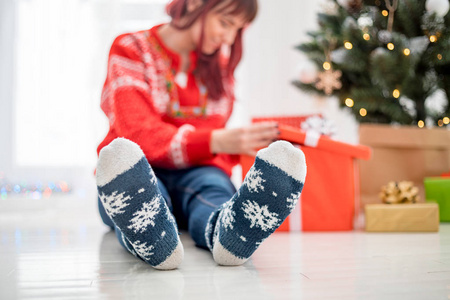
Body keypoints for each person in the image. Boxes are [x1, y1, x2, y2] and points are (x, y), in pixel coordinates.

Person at [96, 0, 307, 270]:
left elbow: (211, 140)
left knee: (212, 190)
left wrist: (239, 144)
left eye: (237, 30)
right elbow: (136, 133)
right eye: (225, 23)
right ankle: (154, 239)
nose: (229, 38)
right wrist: (217, 140)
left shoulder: (218, 68)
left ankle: (228, 234)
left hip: (197, 170)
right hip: (138, 168)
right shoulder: (131, 48)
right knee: (136, 191)